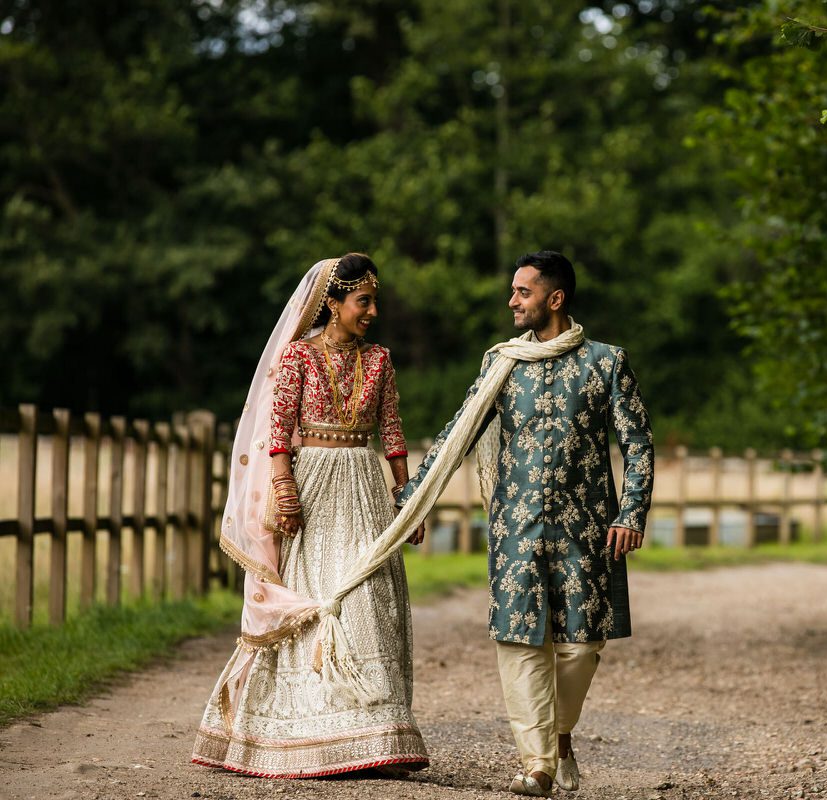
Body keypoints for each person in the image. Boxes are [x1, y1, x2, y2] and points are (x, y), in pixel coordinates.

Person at [398, 250, 654, 796]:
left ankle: (560, 735)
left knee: (581, 647)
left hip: (586, 531)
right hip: (515, 528)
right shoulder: (502, 364)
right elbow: (458, 434)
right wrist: (414, 499)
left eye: (523, 292)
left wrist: (631, 512)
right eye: (513, 292)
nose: (512, 302)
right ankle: (537, 764)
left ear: (554, 299)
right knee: (519, 643)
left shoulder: (607, 362)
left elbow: (637, 445)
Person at [191, 254, 430, 778]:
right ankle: (305, 732)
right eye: (363, 301)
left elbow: (391, 433)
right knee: (317, 594)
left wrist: (406, 498)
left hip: (365, 487)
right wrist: (284, 488)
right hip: (312, 486)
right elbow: (277, 433)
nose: (372, 310)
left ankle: (375, 735)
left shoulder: (381, 360)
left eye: (374, 300)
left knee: (369, 595)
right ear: (334, 303)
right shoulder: (298, 356)